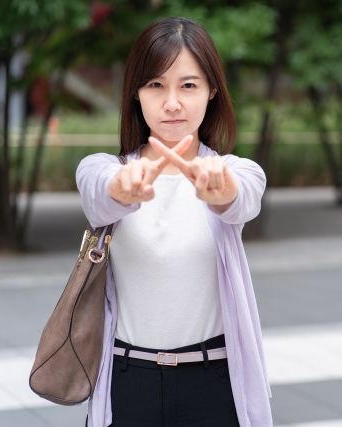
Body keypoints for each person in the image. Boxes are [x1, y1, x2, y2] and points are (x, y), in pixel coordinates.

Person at [76, 17, 272, 427]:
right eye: (155, 85)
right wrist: (120, 189)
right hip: (128, 381)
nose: (172, 103)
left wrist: (223, 194)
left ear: (212, 91)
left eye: (188, 85)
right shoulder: (105, 169)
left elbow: (244, 198)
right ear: (136, 93)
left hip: (214, 382)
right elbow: (97, 191)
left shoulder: (234, 170)